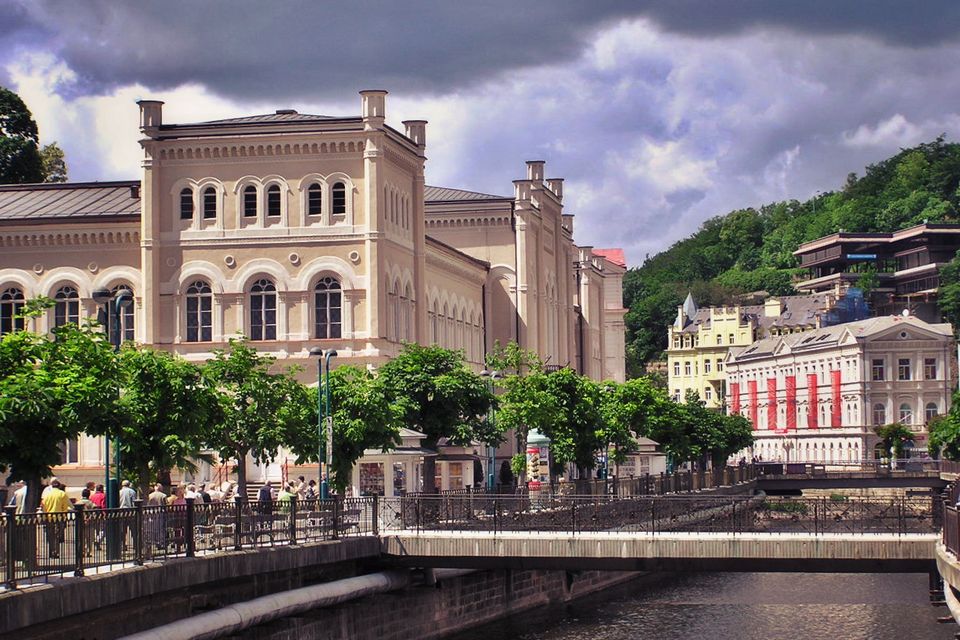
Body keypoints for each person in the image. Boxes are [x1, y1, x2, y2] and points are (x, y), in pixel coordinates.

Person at [41, 480, 71, 559]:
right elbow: (65, 507)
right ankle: (56, 552)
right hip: (59, 518)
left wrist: (44, 517)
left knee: (50, 535)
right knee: (57, 536)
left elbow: (43, 506)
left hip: (49, 518)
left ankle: (51, 551)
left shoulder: (47, 495)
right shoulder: (62, 494)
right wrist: (65, 517)